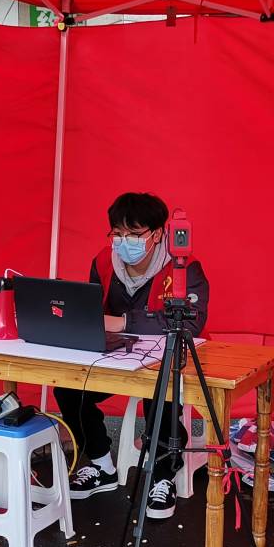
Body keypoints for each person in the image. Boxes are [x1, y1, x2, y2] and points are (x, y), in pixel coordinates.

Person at [54, 192, 209, 520]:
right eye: (118, 233)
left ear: (157, 233)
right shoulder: (103, 261)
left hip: (164, 358)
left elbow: (191, 322)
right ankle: (101, 464)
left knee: (162, 393)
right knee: (67, 387)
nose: (125, 242)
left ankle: (163, 475)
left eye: (134, 234)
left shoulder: (183, 267)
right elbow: (93, 309)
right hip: (116, 356)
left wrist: (125, 321)